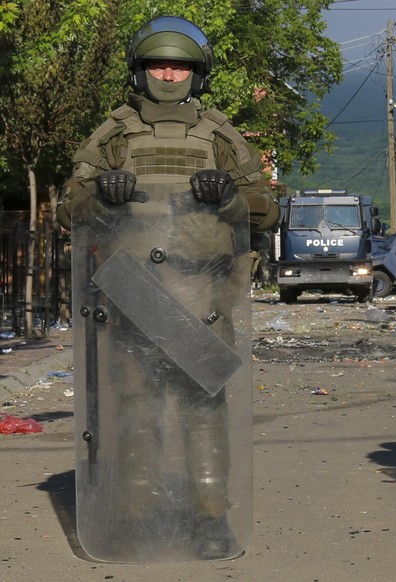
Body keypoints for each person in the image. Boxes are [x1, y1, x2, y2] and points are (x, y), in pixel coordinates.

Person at [57, 16, 278, 560]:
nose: (169, 74)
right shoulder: (112, 134)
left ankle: (210, 518)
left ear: (197, 74)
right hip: (130, 293)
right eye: (159, 64)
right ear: (140, 72)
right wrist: (101, 197)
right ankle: (135, 515)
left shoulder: (220, 135)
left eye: (179, 65)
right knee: (133, 405)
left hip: (202, 290)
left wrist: (228, 196)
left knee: (202, 405)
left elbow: (266, 211)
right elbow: (70, 209)